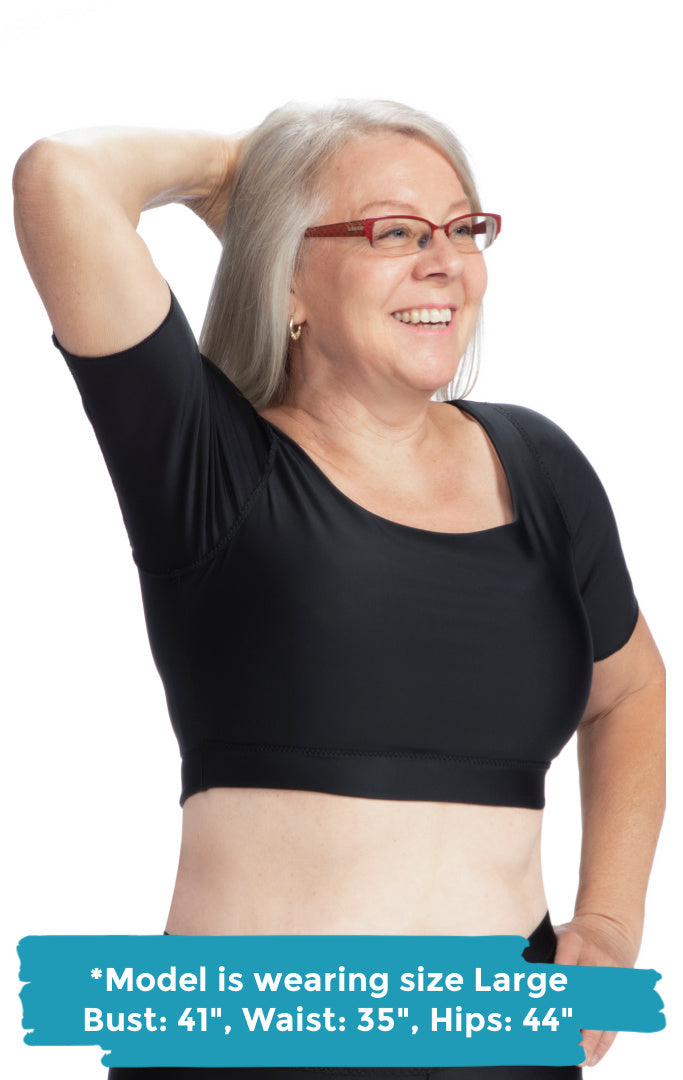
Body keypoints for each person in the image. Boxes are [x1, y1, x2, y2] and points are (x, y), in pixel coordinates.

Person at [12, 100, 665, 1080]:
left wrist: (608, 922)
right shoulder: (207, 469)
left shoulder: (540, 468)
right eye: (393, 232)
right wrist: (238, 171)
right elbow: (59, 181)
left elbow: (630, 691)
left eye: (460, 228)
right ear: (286, 280)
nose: (443, 261)